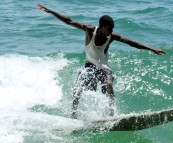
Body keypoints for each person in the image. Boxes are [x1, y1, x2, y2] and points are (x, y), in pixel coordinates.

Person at [37, 4, 165, 119]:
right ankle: (73, 115)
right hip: (89, 66)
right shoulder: (89, 30)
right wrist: (51, 12)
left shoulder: (111, 37)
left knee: (108, 83)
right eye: (109, 29)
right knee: (79, 88)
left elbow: (132, 43)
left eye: (112, 29)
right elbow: (69, 21)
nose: (111, 32)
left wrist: (152, 49)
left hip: (104, 68)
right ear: (102, 27)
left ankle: (112, 114)